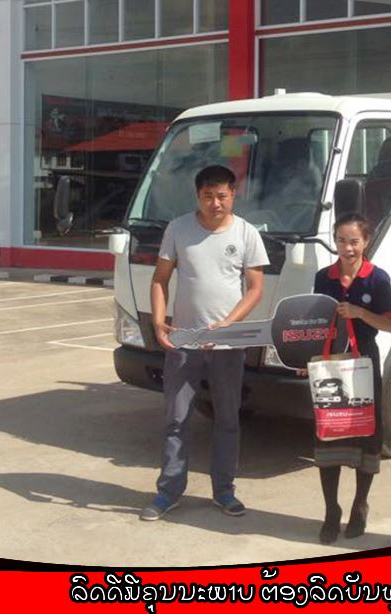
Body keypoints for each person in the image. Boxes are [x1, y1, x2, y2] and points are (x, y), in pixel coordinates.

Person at [140, 165, 269, 521]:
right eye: (208, 196)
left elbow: (255, 289)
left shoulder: (246, 233)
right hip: (183, 342)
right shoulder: (178, 229)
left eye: (222, 196)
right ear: (197, 196)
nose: (215, 203)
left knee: (227, 418)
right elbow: (159, 280)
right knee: (176, 419)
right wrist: (159, 322)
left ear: (233, 195)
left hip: (227, 345)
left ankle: (224, 491)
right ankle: (168, 492)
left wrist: (228, 324)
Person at [309, 213, 391, 544]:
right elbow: (315, 322)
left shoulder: (378, 279)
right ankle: (331, 510)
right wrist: (307, 358)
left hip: (364, 365)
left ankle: (360, 505)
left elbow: (390, 324)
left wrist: (360, 313)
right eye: (341, 240)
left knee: (366, 434)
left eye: (354, 241)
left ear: (366, 241)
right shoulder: (323, 277)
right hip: (331, 363)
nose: (347, 248)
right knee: (328, 432)